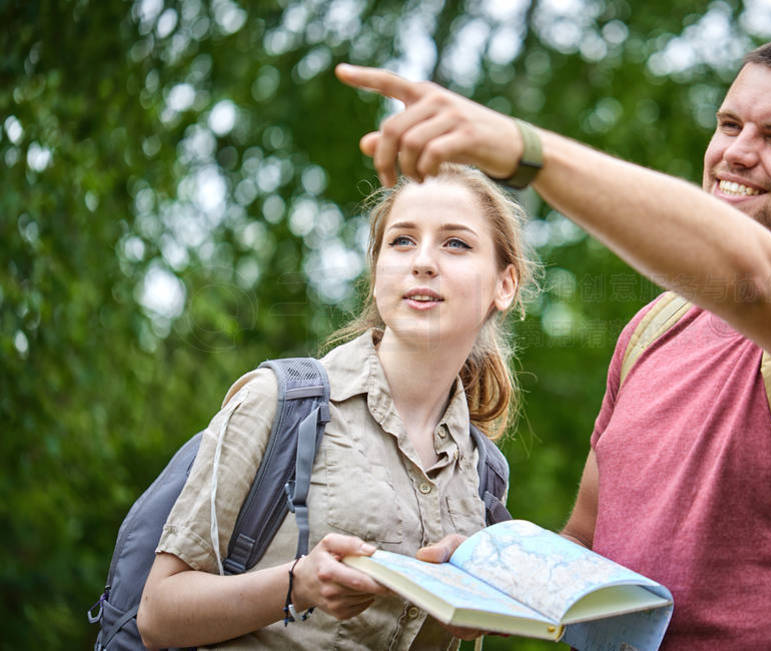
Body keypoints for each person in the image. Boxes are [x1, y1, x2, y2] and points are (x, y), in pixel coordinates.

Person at [335, 38, 771, 648]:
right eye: (729, 125)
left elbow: (752, 279)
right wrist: (486, 571)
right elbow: (583, 545)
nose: (736, 153)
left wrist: (527, 151)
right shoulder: (654, 329)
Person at [136, 163, 536, 649]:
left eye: (456, 243)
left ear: (505, 285)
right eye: (402, 241)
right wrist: (296, 586)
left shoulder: (484, 476)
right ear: (376, 275)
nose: (423, 262)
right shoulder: (279, 401)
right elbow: (158, 615)